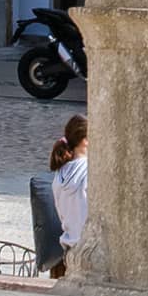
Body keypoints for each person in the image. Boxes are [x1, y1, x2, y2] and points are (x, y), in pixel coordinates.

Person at [44, 113, 91, 273]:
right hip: (89, 249)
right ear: (85, 141)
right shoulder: (90, 170)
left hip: (69, 247)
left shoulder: (60, 174)